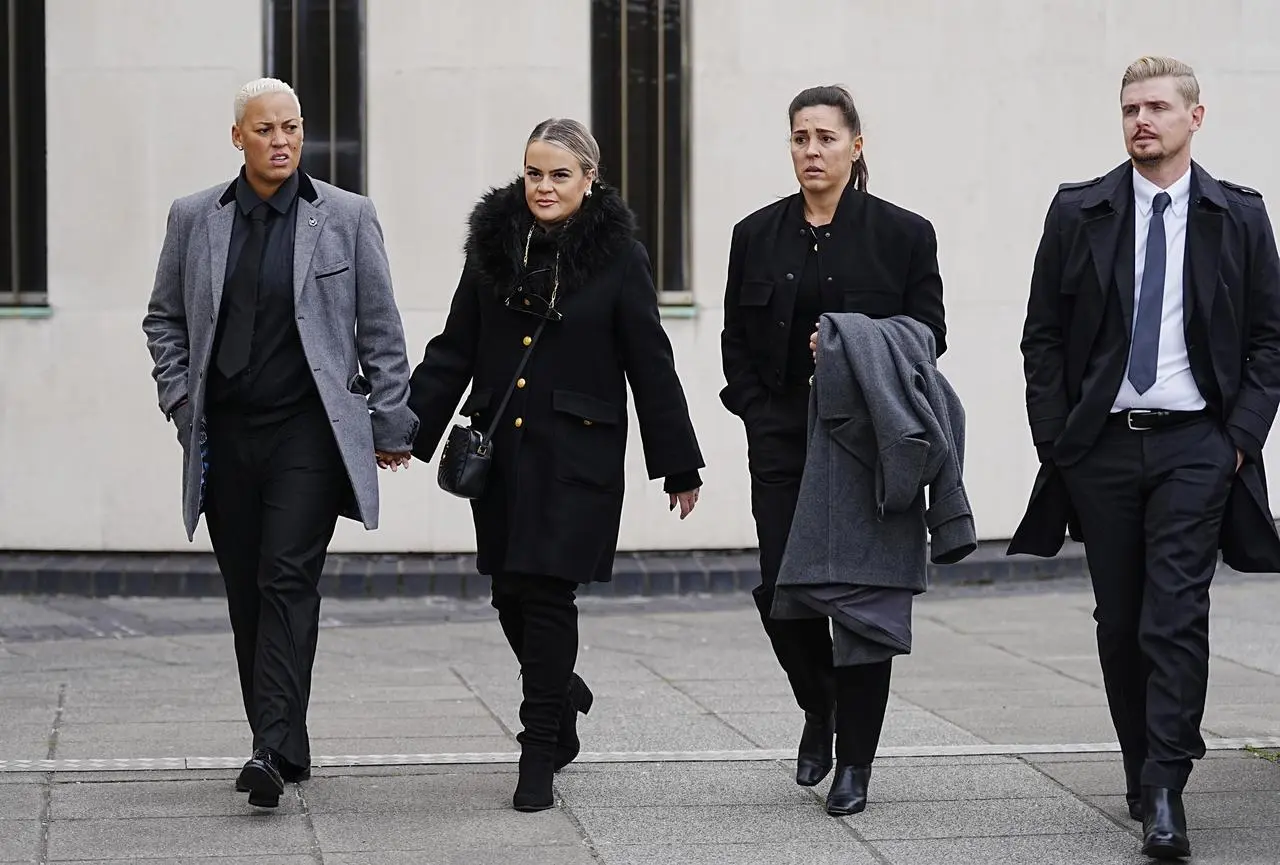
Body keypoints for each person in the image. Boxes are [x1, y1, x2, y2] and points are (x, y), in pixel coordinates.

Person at [1010, 56, 1280, 860]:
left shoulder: (1239, 216)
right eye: (1130, 108)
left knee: (1175, 616)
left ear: (1195, 118)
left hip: (1199, 444)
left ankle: (1167, 786)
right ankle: (1141, 764)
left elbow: (1268, 338)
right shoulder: (1079, 212)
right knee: (1120, 622)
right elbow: (1043, 337)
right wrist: (1058, 439)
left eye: (1157, 107)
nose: (1141, 121)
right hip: (1101, 447)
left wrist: (1239, 441)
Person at [407, 118, 704, 813]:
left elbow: (649, 361)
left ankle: (540, 746)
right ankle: (561, 690)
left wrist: (678, 462)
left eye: (559, 174)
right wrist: (407, 430)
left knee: (544, 594)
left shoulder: (619, 256)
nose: (544, 186)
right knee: (509, 592)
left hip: (577, 455)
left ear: (588, 178)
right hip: (502, 455)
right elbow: (455, 347)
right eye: (534, 173)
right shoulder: (492, 245)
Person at [142, 78, 418, 809]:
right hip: (225, 435)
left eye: (291, 127)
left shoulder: (347, 218)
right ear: (238, 137)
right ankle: (285, 740)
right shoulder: (194, 217)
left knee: (285, 578)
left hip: (308, 433)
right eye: (265, 129)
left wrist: (391, 423)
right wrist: (180, 404)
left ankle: (267, 746)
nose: (281, 140)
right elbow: (163, 320)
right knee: (246, 593)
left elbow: (382, 330)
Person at [719, 85, 947, 812]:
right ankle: (820, 705)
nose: (810, 150)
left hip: (867, 445)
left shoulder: (905, 234)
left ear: (856, 144)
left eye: (824, 136)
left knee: (862, 609)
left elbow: (930, 334)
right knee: (784, 596)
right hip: (783, 439)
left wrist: (855, 341)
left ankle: (855, 763)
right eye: (799, 137)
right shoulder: (755, 234)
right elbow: (734, 341)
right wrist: (757, 412)